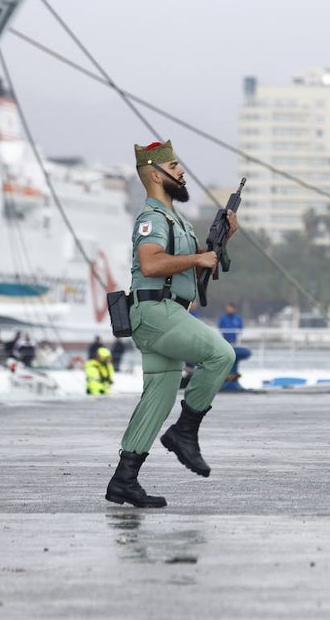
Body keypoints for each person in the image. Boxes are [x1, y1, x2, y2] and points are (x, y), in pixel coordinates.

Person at [104, 139, 239, 509]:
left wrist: (222, 240)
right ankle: (185, 432)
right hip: (155, 313)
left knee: (158, 400)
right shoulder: (153, 219)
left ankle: (124, 480)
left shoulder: (175, 218)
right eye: (174, 166)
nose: (181, 171)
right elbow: (150, 264)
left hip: (170, 312)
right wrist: (198, 258)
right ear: (155, 174)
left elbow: (191, 265)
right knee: (220, 354)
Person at [217, 302, 252, 392]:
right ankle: (227, 380)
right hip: (225, 342)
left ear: (234, 308)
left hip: (235, 342)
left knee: (234, 355)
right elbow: (220, 328)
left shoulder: (238, 318)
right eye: (228, 308)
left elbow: (240, 329)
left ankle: (232, 380)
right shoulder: (223, 318)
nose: (229, 309)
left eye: (230, 308)